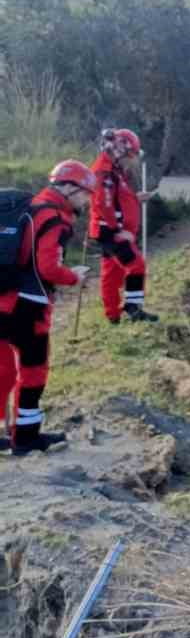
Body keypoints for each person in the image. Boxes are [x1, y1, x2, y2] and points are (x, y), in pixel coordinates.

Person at [0, 160, 95, 455]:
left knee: (2, 370)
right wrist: (73, 276)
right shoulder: (54, 217)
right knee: (33, 371)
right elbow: (47, 268)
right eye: (85, 193)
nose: (88, 200)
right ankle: (26, 439)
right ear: (68, 187)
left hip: (1, 297)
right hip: (28, 307)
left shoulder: (27, 206)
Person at [89, 127, 158, 325]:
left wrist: (135, 199)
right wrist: (118, 231)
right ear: (119, 150)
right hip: (111, 231)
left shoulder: (114, 170)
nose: (133, 160)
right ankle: (133, 308)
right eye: (131, 155)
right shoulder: (105, 171)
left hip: (110, 230)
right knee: (136, 264)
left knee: (112, 272)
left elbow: (116, 200)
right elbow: (103, 204)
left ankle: (113, 316)